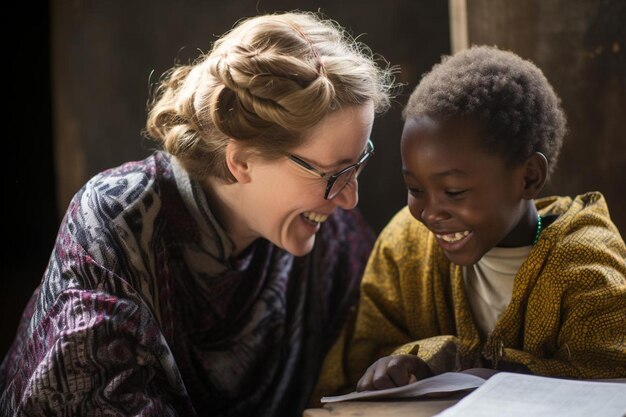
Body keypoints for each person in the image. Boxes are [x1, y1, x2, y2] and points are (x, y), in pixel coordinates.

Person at [0, 11, 397, 417]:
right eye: (333, 174)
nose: (349, 199)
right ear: (241, 161)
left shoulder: (329, 231)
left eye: (357, 164)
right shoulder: (114, 225)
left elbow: (374, 341)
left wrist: (393, 366)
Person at [314, 45, 626, 399]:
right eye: (415, 188)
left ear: (529, 179)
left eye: (455, 192)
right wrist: (392, 366)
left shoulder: (584, 266)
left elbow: (611, 377)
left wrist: (486, 371)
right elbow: (354, 366)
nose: (430, 212)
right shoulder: (406, 245)